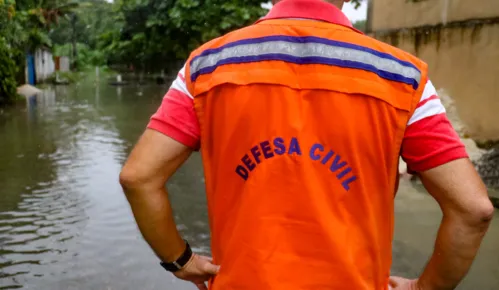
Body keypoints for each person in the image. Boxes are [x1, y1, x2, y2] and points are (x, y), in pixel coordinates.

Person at [119, 0, 494, 289]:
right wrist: (425, 286)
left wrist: (179, 260)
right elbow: (472, 210)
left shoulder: (207, 66)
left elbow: (139, 177)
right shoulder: (403, 76)